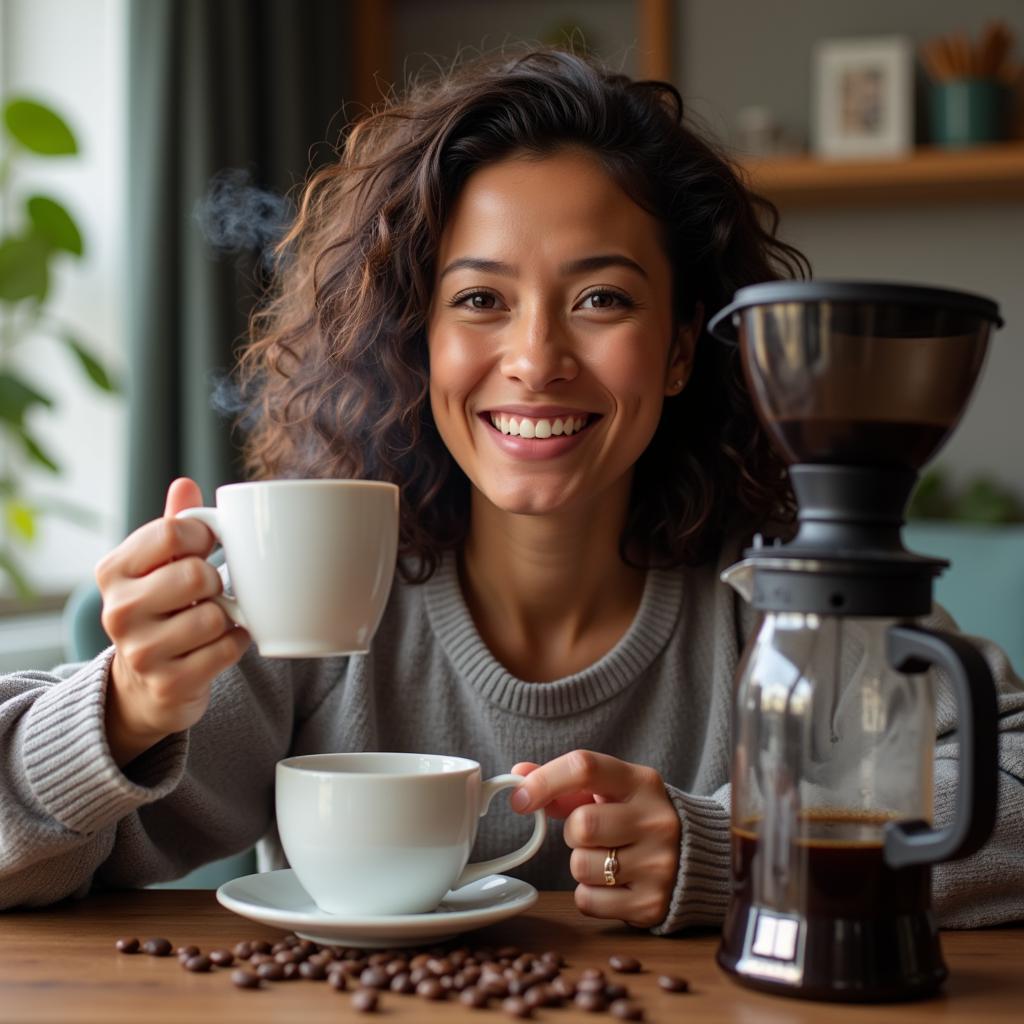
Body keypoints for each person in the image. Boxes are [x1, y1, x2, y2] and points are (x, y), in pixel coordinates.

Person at [1, 49, 1022, 932]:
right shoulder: (307, 598)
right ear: (419, 341)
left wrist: (748, 856)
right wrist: (126, 713)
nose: (534, 359)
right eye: (480, 299)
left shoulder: (783, 592)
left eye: (600, 299)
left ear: (676, 350)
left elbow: (1007, 789)